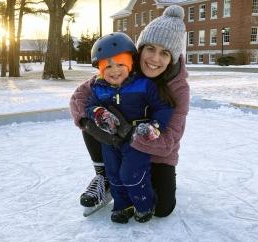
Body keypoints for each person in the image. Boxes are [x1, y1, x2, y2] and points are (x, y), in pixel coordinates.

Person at [69, 5, 189, 219]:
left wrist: (129, 134)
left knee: (162, 209)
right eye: (150, 48)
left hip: (157, 152)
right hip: (115, 147)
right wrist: (92, 120)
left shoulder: (178, 88)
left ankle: (141, 178)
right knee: (94, 112)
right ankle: (104, 176)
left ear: (172, 58)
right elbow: (79, 98)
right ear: (139, 49)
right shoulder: (121, 69)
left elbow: (169, 140)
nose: (154, 58)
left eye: (164, 53)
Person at [85, 32, 174, 223]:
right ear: (100, 70)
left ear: (130, 64)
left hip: (136, 139)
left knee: (131, 174)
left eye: (120, 64)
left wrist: (154, 126)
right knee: (114, 174)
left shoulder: (144, 85)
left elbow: (163, 107)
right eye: (107, 66)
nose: (114, 70)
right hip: (111, 141)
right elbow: (89, 106)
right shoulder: (99, 88)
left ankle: (144, 205)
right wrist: (99, 113)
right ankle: (122, 206)